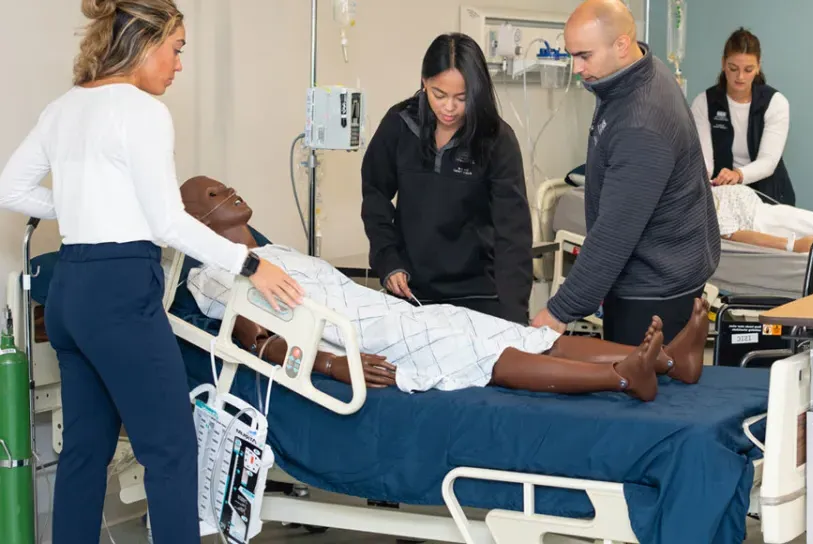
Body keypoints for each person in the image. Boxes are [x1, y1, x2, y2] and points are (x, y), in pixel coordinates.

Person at [0, 2, 303, 543]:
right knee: (169, 450)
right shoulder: (141, 112)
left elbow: (11, 188)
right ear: (143, 43)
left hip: (70, 291)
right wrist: (250, 263)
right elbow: (168, 222)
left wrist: (76, 207)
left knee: (85, 454)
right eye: (176, 48)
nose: (179, 64)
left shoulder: (65, 106)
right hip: (118, 294)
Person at [179, 176, 710, 401]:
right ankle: (621, 379)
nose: (228, 189)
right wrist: (333, 364)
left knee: (504, 332)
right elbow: (253, 338)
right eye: (212, 191)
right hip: (363, 339)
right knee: (482, 354)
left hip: (394, 315)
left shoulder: (274, 251)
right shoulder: (215, 271)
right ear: (193, 217)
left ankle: (667, 364)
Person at [532, 0, 721, 345]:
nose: (577, 68)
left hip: (654, 295)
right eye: (572, 55)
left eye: (584, 56)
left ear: (621, 44)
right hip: (665, 277)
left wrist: (560, 311)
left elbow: (613, 235)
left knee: (638, 393)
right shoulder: (641, 72)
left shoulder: (642, 121)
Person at [361, 33, 532, 325]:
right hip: (412, 293)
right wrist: (388, 260)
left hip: (478, 297)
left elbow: (513, 236)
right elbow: (375, 194)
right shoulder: (400, 125)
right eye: (439, 94)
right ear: (424, 82)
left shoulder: (497, 140)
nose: (449, 108)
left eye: (462, 98)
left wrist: (514, 318)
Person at [690, 28, 796, 205]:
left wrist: (738, 175)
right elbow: (705, 163)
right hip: (724, 196)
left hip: (770, 197)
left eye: (748, 69)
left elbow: (768, 162)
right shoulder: (704, 103)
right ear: (723, 64)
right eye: (733, 68)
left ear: (758, 67)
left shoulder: (775, 103)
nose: (740, 77)